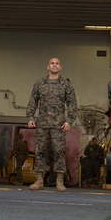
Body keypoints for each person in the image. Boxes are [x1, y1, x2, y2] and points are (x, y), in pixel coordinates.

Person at [26, 57, 78, 192]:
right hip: (42, 124)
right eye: (52, 63)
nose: (54, 65)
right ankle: (39, 180)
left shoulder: (65, 85)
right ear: (47, 67)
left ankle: (59, 181)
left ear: (60, 67)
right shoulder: (39, 84)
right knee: (40, 151)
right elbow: (32, 101)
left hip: (58, 125)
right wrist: (31, 117)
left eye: (57, 63)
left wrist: (69, 121)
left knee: (59, 152)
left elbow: (72, 104)